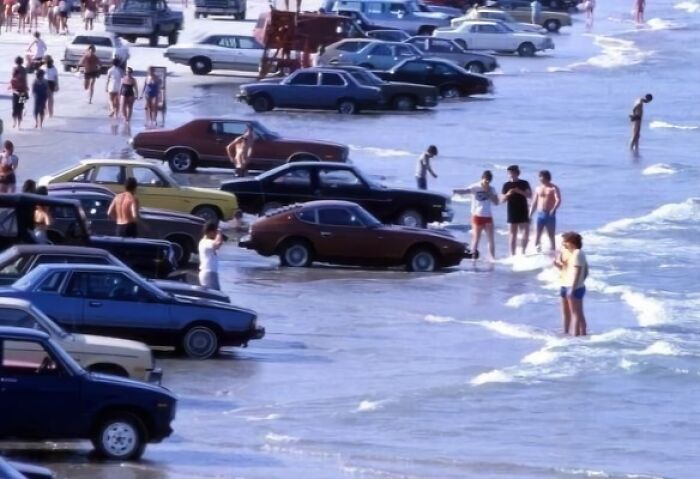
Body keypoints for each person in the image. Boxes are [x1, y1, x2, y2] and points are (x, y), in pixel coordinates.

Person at [453, 170, 499, 260]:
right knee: (476, 238)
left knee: (491, 239)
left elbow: (496, 202)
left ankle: (492, 258)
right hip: (477, 215)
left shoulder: (492, 189)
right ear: (482, 178)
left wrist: (489, 193)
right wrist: (454, 191)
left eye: (489, 181)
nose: (487, 183)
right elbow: (465, 191)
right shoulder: (475, 186)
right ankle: (473, 256)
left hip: (488, 216)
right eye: (485, 181)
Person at [553, 232, 588, 336]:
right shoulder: (565, 251)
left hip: (575, 287)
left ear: (572, 242)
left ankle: (577, 336)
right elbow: (564, 269)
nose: (563, 243)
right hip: (564, 284)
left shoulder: (578, 253)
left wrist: (572, 288)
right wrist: (557, 265)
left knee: (576, 314)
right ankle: (565, 333)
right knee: (566, 313)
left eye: (565, 241)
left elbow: (578, 272)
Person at [501, 165, 531, 256]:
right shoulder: (506, 185)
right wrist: (508, 194)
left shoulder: (524, 183)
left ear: (517, 173)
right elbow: (502, 200)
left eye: (512, 173)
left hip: (523, 209)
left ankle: (523, 251)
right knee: (512, 234)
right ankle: (512, 254)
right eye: (509, 173)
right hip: (512, 210)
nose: (510, 175)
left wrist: (519, 191)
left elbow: (529, 195)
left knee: (525, 232)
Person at [529, 169, 561, 253]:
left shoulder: (553, 188)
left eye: (541, 176)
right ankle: (537, 251)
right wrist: (530, 214)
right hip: (540, 214)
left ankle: (553, 252)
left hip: (549, 214)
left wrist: (554, 209)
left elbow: (558, 200)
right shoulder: (538, 188)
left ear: (546, 177)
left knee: (551, 235)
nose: (539, 178)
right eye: (539, 177)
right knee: (537, 235)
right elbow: (534, 203)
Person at [198, 222, 224, 290]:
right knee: (217, 297)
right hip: (209, 273)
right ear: (210, 231)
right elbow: (217, 244)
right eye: (215, 232)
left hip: (210, 274)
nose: (215, 234)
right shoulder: (206, 242)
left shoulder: (205, 242)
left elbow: (218, 244)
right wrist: (219, 233)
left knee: (213, 297)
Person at [9, 56, 28, 129]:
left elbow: (12, 85)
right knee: (20, 108)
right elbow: (25, 82)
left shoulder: (15, 70)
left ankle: (16, 123)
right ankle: (18, 124)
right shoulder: (24, 70)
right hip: (22, 92)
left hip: (17, 93)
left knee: (15, 108)